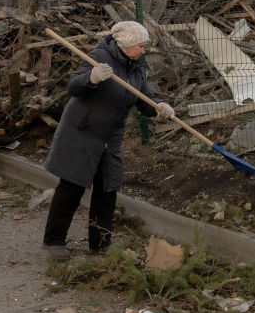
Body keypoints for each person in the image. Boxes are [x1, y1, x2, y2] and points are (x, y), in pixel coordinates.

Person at [41, 20, 175, 260]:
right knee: (72, 186)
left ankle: (101, 243)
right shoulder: (100, 55)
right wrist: (91, 78)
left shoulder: (135, 65)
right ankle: (54, 241)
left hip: (110, 135)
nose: (143, 51)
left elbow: (143, 97)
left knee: (107, 188)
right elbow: (74, 86)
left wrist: (158, 107)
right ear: (126, 44)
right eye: (141, 46)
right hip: (83, 130)